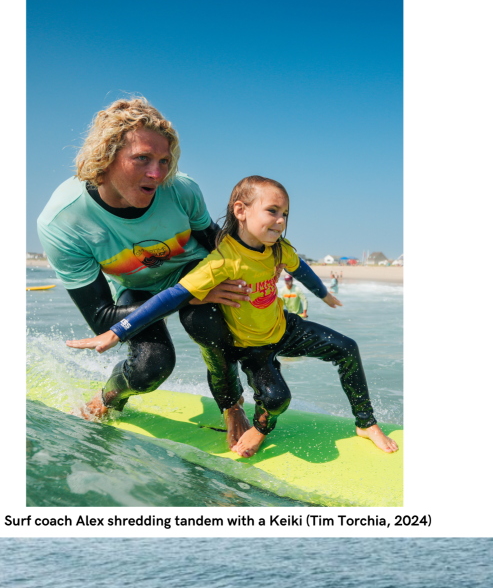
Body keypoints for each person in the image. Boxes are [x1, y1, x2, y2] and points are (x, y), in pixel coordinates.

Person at [78, 175, 399, 459]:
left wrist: (323, 294)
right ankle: (260, 429)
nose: (280, 220)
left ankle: (365, 423)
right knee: (276, 398)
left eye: (285, 214)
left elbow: (298, 267)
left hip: (284, 328)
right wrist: (118, 331)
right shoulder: (222, 260)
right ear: (241, 211)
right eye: (272, 211)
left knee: (347, 348)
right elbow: (171, 297)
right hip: (251, 346)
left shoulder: (277, 248)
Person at [37, 97, 253, 448]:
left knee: (205, 322)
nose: (158, 173)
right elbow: (102, 317)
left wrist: (248, 277)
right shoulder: (64, 220)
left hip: (191, 269)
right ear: (106, 156)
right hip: (136, 289)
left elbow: (213, 241)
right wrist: (190, 292)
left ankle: (231, 405)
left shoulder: (180, 189)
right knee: (150, 368)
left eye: (164, 161)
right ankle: (111, 396)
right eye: (142, 159)